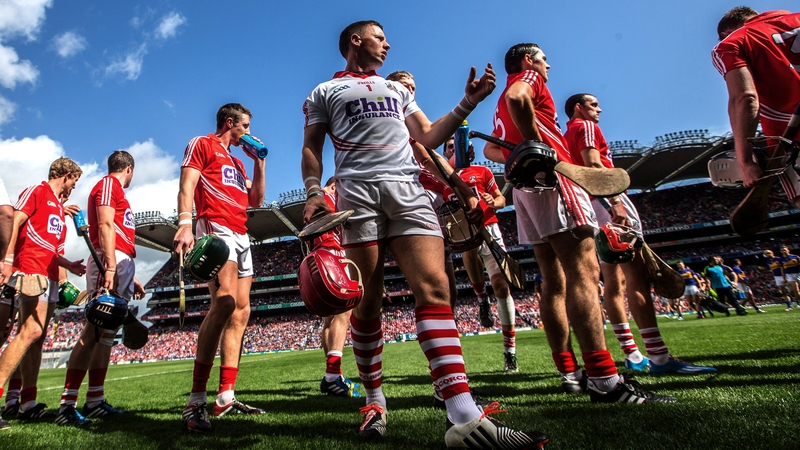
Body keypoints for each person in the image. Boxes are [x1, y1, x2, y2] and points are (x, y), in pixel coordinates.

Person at [301, 20, 548, 449]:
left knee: (435, 289)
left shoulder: (398, 90)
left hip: (408, 190)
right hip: (356, 196)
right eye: (380, 37)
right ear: (356, 41)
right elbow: (312, 148)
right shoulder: (324, 91)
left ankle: (464, 417)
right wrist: (311, 191)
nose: (388, 44)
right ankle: (375, 401)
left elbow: (429, 134)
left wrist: (467, 103)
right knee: (368, 301)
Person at [483, 43, 674, 403]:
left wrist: (520, 152)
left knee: (552, 283)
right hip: (554, 180)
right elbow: (519, 98)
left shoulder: (496, 107)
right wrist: (538, 146)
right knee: (583, 274)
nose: (548, 64)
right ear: (528, 60)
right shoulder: (526, 78)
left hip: (526, 189)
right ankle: (605, 379)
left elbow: (490, 149)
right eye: (543, 58)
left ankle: (569, 372)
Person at [564, 93, 715, 374]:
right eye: (593, 104)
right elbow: (594, 165)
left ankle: (632, 354)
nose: (599, 109)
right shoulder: (584, 127)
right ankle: (659, 357)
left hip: (587, 203)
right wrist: (615, 201)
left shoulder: (566, 133)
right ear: (578, 108)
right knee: (637, 277)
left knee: (613, 282)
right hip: (605, 198)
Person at [174, 103, 266, 432]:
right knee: (224, 302)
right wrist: (185, 223)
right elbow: (187, 185)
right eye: (245, 127)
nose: (249, 133)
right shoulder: (202, 144)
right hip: (215, 227)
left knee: (241, 311)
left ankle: (225, 396)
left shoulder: (240, 162)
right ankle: (195, 400)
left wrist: (259, 163)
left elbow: (255, 200)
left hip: (241, 233)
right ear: (230, 123)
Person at [56, 151, 145, 426]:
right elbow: (105, 224)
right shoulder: (109, 185)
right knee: (93, 329)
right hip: (109, 259)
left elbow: (117, 230)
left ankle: (95, 401)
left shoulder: (117, 190)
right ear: (128, 169)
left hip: (119, 259)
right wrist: (109, 266)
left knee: (106, 335)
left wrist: (130, 274)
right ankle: (67, 405)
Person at [0, 158, 85, 429]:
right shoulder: (36, 191)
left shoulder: (59, 210)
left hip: (49, 276)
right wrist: (7, 258)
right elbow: (15, 221)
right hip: (29, 269)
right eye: (74, 181)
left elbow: (51, 249)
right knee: (30, 332)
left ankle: (27, 403)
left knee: (37, 338)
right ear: (66, 175)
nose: (73, 187)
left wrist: (68, 264)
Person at [443, 137, 519, 372]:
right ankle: (481, 298)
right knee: (468, 251)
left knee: (502, 287)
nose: (457, 149)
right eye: (450, 147)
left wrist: (493, 202)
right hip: (464, 234)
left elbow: (502, 198)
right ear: (445, 154)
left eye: (461, 145)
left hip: (491, 229)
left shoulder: (483, 171)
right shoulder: (442, 178)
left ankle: (510, 351)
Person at [712, 7, 800, 205]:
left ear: (725, 34)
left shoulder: (732, 43)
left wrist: (745, 161)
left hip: (794, 142)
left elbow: (745, 98)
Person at [313, 178, 359, 398]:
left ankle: (333, 374)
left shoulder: (324, 198)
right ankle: (332, 375)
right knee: (344, 310)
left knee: (329, 319)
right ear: (334, 185)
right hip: (333, 256)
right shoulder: (326, 196)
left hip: (322, 256)